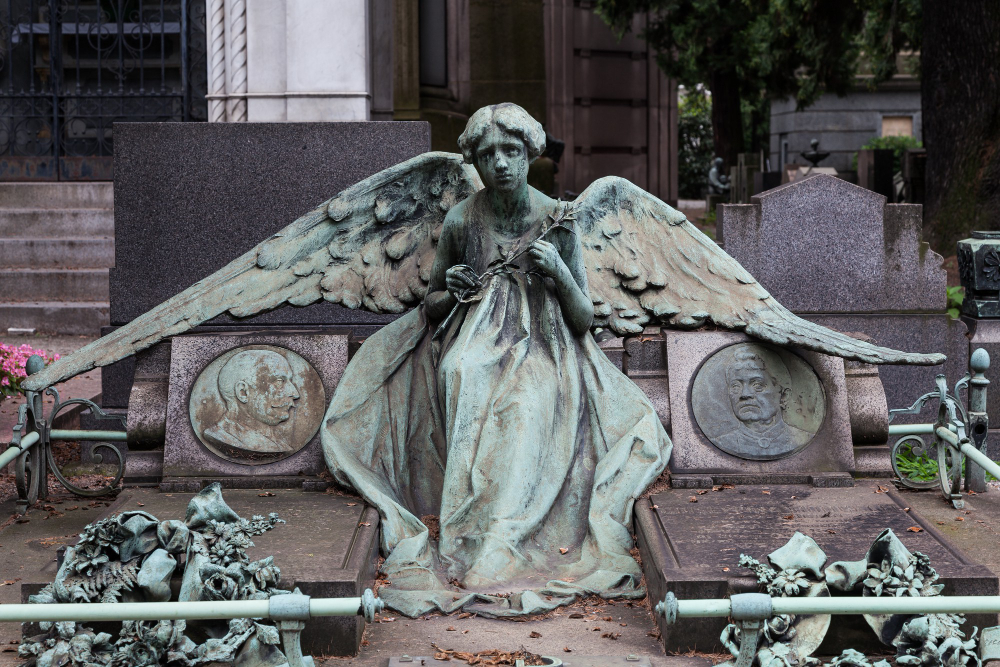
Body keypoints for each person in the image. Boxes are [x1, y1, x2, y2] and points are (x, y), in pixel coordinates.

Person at [322, 103, 672, 617]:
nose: (501, 163)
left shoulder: (558, 219)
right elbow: (433, 303)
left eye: (511, 151)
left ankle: (508, 533)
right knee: (462, 372)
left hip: (546, 343)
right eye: (488, 155)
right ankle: (469, 532)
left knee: (529, 396)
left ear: (530, 154)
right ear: (476, 163)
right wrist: (454, 289)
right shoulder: (464, 219)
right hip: (476, 336)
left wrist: (558, 273)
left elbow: (583, 320)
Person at [715, 347, 810, 456]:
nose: (745, 394)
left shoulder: (802, 438)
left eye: (758, 386)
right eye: (736, 386)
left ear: (783, 396)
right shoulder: (723, 442)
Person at [203, 349, 300, 454]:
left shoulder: (281, 446)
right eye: (279, 381)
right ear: (243, 392)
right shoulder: (222, 436)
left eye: (290, 381)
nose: (295, 394)